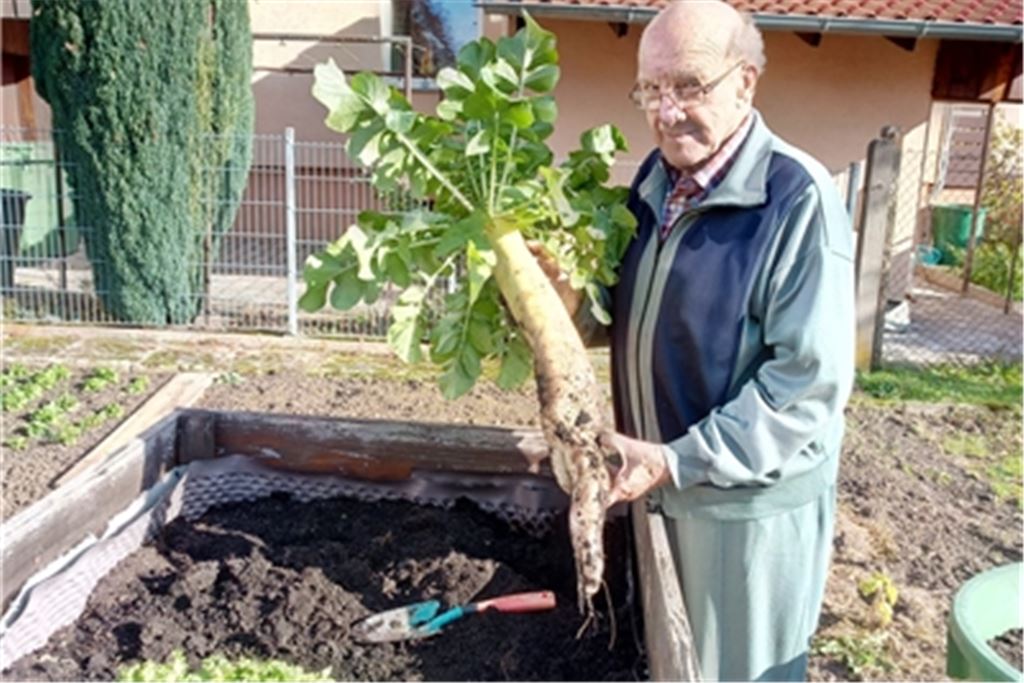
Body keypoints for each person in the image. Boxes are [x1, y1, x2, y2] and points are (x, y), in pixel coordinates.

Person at [593, 2, 855, 681]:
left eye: (688, 85)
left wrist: (679, 459)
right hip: (655, 489)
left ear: (747, 82)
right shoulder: (652, 184)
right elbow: (621, 314)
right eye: (651, 89)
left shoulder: (796, 198)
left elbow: (806, 386)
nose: (666, 109)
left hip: (744, 519)